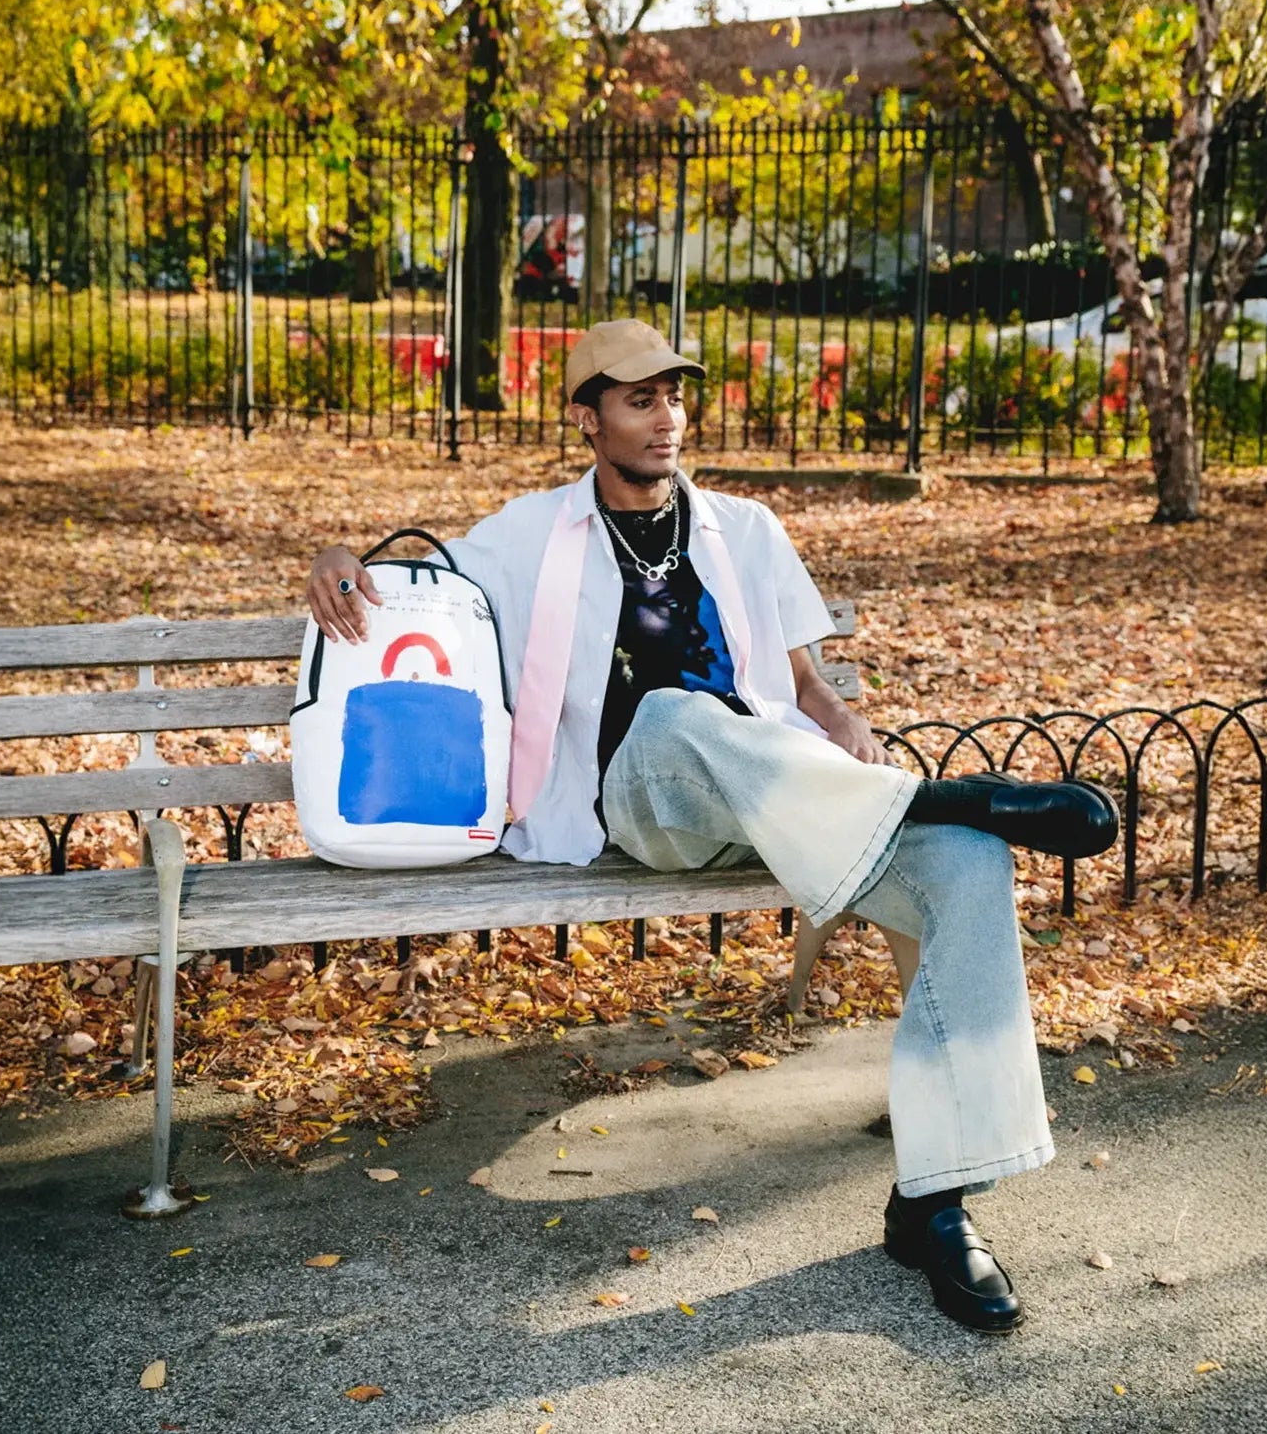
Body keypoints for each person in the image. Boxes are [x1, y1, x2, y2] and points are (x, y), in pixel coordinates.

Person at [306, 318, 1118, 1336]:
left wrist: (846, 728)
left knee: (966, 864)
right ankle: (932, 796)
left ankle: (934, 1203)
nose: (667, 417)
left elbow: (803, 685)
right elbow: (409, 591)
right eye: (640, 399)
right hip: (649, 808)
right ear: (588, 418)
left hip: (796, 806)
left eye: (676, 396)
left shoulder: (744, 528)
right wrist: (340, 553)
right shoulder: (528, 535)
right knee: (676, 713)